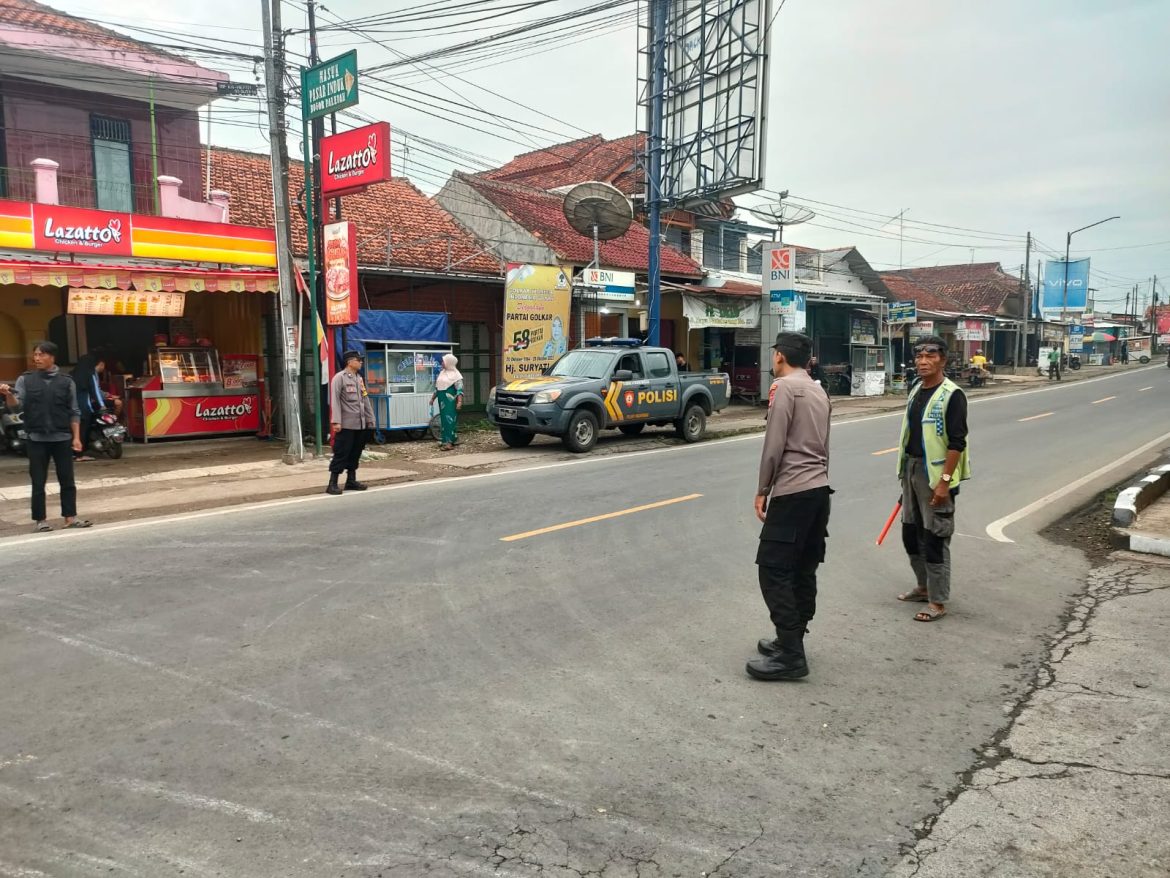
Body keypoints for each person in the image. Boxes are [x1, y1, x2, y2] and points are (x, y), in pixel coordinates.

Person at [746, 331, 832, 681]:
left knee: (773, 568)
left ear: (779, 355)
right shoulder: (818, 389)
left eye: (773, 354)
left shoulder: (784, 388)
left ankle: (792, 655)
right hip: (818, 490)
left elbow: (774, 443)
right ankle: (790, 638)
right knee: (803, 567)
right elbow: (825, 446)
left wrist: (763, 488)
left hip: (793, 491)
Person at [895, 336, 970, 622]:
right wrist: (907, 480)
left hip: (936, 475)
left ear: (943, 360)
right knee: (911, 535)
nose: (923, 361)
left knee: (935, 537)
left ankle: (938, 601)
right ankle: (923, 587)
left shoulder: (952, 394)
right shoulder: (916, 389)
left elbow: (957, 443)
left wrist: (944, 482)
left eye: (930, 356)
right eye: (919, 356)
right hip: (912, 470)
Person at [0, 342, 92, 532]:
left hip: (62, 438)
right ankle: (40, 520)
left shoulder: (67, 381)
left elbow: (74, 411)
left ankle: (70, 518)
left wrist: (76, 437)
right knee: (38, 481)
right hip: (36, 438)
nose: (37, 359)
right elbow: (16, 407)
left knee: (67, 480)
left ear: (52, 357)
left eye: (41, 355)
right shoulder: (25, 380)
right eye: (35, 355)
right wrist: (8, 395)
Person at [326, 350, 375, 496]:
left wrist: (370, 418)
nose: (361, 362)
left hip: (360, 424)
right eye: (358, 360)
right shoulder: (339, 378)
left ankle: (351, 480)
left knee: (355, 452)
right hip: (346, 424)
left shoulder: (359, 378)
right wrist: (336, 421)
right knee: (341, 453)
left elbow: (365, 400)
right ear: (349, 362)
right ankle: (332, 483)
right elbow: (334, 401)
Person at [71, 353, 106, 461]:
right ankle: (79, 455)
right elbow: (95, 391)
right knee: (83, 431)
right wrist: (102, 405)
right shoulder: (89, 374)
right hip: (84, 407)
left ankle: (72, 453)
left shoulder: (72, 374)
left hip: (71, 407)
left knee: (73, 430)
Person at [430, 353, 464, 451]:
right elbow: (437, 388)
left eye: (443, 361)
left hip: (450, 401)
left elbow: (459, 390)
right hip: (442, 400)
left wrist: (459, 402)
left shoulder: (456, 376)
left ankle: (449, 443)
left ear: (449, 363)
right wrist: (433, 398)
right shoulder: (442, 373)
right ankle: (447, 440)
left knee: (450, 420)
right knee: (444, 421)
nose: (442, 363)